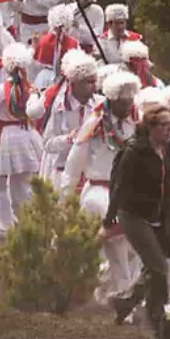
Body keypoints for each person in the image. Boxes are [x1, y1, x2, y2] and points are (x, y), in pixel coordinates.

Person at [105, 98, 170, 339]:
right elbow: (119, 185)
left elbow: (167, 179)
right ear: (151, 127)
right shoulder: (134, 150)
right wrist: (109, 218)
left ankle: (124, 302)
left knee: (154, 268)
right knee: (159, 269)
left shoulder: (167, 145)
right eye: (164, 125)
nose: (169, 128)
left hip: (157, 213)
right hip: (132, 214)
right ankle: (156, 324)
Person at [64, 70, 142, 307]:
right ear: (112, 100)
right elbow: (74, 164)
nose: (128, 105)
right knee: (118, 248)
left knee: (131, 249)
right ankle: (123, 297)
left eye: (131, 100)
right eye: (123, 101)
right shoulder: (95, 124)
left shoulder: (136, 125)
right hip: (99, 192)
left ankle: (107, 285)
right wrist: (66, 199)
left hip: (128, 193)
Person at [0, 43, 43, 237]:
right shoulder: (32, 89)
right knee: (23, 184)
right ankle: (29, 224)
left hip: (5, 136)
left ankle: (5, 225)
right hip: (27, 135)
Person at [31, 49, 100, 185]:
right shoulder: (59, 107)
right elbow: (47, 144)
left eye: (94, 81)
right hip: (63, 174)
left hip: (92, 176)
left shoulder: (100, 105)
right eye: (89, 82)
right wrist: (68, 139)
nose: (94, 86)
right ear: (75, 83)